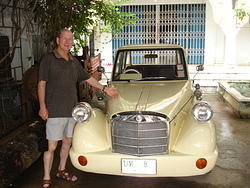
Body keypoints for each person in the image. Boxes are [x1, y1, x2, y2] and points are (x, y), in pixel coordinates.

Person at [38, 28, 118, 188]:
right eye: (65, 39)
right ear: (58, 40)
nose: (68, 42)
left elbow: (87, 78)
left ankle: (61, 170)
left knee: (67, 141)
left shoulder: (73, 61)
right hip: (54, 109)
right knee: (52, 145)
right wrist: (42, 107)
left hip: (72, 110)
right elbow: (41, 83)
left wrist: (104, 88)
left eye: (70, 39)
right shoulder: (48, 59)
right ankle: (46, 177)